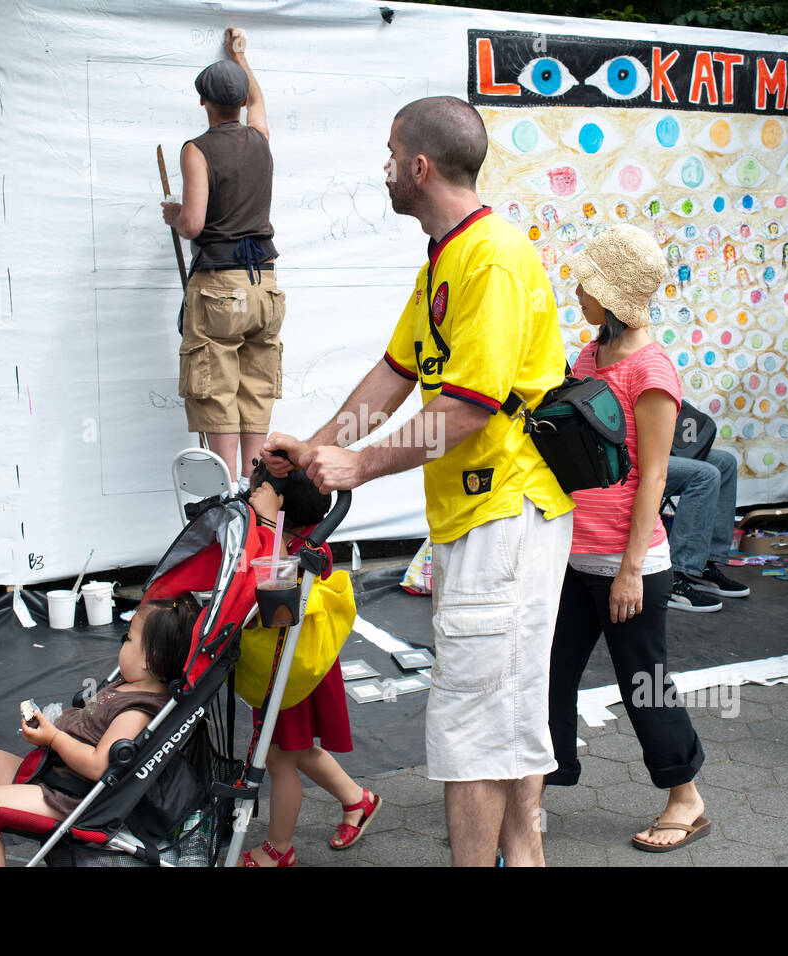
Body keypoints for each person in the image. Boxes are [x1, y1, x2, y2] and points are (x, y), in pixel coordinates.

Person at [264, 96, 574, 866]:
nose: (384, 170)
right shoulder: (448, 254)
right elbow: (396, 372)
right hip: (487, 519)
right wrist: (317, 449)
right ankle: (523, 859)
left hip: (506, 515)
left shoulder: (492, 257)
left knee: (471, 724)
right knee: (506, 706)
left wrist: (361, 466)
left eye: (390, 154)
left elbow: (468, 409)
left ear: (419, 166)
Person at [545, 226, 709, 852]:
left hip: (625, 562)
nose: (577, 292)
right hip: (570, 553)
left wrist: (630, 569)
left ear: (613, 295)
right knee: (548, 678)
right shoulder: (589, 357)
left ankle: (686, 798)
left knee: (644, 684)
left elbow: (656, 475)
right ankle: (534, 787)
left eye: (586, 284)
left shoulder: (652, 369)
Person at [0, 600, 197, 866]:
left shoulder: (136, 712)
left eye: (128, 638)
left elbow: (98, 765)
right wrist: (53, 724)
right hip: (57, 774)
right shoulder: (123, 683)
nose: (122, 643)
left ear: (150, 658)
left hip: (75, 799)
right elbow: (89, 713)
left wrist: (54, 738)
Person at [236, 461, 379, 866]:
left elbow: (275, 583)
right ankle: (358, 799)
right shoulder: (293, 540)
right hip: (283, 665)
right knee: (293, 749)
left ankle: (278, 848)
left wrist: (265, 523)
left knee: (280, 757)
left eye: (258, 491)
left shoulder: (306, 551)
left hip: (291, 669)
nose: (250, 498)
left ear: (281, 506)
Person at [163, 27, 283, 483]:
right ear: (241, 102)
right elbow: (259, 102)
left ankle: (229, 494)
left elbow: (193, 224)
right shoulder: (261, 138)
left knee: (216, 389)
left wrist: (174, 213)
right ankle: (256, 493)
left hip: (220, 287)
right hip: (265, 287)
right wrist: (241, 57)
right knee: (255, 390)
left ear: (202, 102)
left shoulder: (197, 150)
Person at [664, 448, 749, 612]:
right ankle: (674, 577)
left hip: (662, 446)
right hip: (634, 453)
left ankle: (702, 566)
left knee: (725, 462)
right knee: (705, 475)